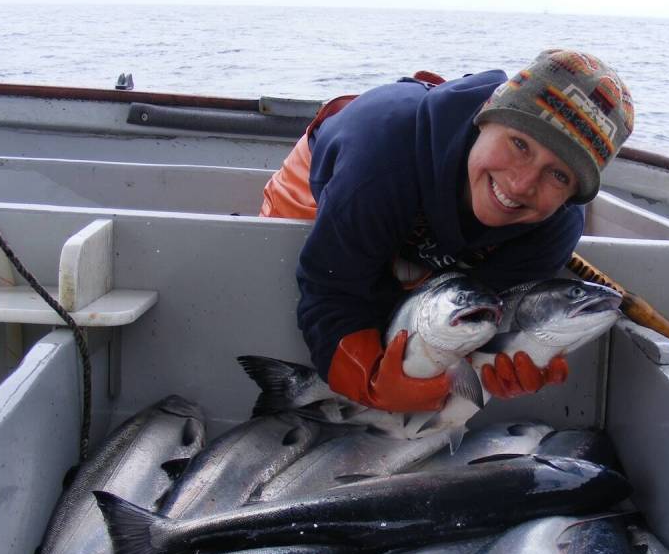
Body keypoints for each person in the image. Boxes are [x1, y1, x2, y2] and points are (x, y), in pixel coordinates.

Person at [260, 49, 633, 413]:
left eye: (558, 175)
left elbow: (487, 311)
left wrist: (492, 361)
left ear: (571, 196)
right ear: (487, 117)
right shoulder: (379, 160)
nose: (521, 184)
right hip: (331, 187)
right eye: (520, 144)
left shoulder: (554, 225)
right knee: (290, 275)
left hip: (434, 235)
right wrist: (370, 381)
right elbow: (331, 288)